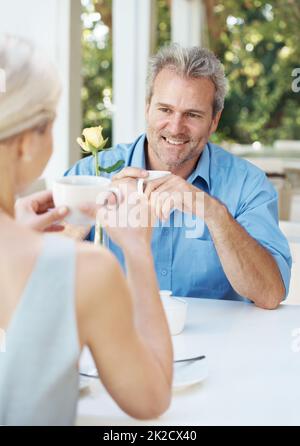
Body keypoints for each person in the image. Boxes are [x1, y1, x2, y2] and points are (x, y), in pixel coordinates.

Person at [0, 35, 172, 426]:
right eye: (50, 126)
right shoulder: (83, 271)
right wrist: (139, 252)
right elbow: (152, 398)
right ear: (27, 143)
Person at [66, 44, 292, 310]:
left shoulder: (248, 184)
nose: (175, 127)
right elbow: (31, 271)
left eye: (193, 115)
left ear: (214, 120)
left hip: (219, 347)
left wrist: (212, 212)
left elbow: (270, 293)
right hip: (113, 341)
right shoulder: (90, 174)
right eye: (165, 110)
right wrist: (91, 209)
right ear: (148, 107)